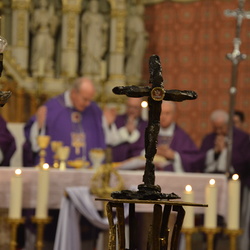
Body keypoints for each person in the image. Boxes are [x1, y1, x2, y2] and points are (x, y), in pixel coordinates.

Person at [23, 77, 106, 167]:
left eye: (90, 99)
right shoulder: (52, 108)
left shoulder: (94, 110)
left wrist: (108, 124)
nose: (88, 104)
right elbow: (36, 144)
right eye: (85, 99)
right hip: (56, 171)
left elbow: (104, 140)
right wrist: (39, 126)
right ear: (74, 93)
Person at [199, 109, 250, 176]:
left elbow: (245, 160)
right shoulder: (208, 138)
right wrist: (215, 153)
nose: (218, 131)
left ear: (228, 125)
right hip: (211, 175)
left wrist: (225, 150)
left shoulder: (243, 137)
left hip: (236, 176)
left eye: (221, 128)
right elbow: (201, 158)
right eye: (215, 128)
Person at [154, 101, 200, 172]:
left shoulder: (182, 136)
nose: (163, 117)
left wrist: (175, 156)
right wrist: (152, 152)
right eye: (161, 113)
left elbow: (193, 159)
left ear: (174, 115)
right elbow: (135, 152)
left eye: (167, 113)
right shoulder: (149, 133)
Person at [104, 97, 148, 162]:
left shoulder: (146, 125)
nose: (132, 110)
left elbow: (143, 147)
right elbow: (109, 141)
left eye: (135, 107)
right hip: (117, 162)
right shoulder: (116, 120)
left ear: (141, 109)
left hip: (137, 165)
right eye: (130, 107)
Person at [30, 0, 60, 77]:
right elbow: (33, 26)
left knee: (49, 52)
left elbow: (54, 27)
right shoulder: (37, 12)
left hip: (48, 35)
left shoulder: (50, 12)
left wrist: (52, 21)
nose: (43, 2)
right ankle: (36, 68)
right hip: (39, 34)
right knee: (38, 50)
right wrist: (38, 23)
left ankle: (48, 67)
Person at [81, 0, 108, 76]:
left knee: (97, 53)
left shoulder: (100, 17)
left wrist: (104, 28)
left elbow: (104, 28)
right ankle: (88, 70)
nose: (94, 7)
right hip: (89, 37)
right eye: (92, 5)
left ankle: (96, 70)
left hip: (98, 38)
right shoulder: (87, 15)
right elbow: (83, 28)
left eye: (95, 5)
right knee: (89, 53)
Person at [125, 4, 148, 83]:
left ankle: (136, 74)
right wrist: (136, 35)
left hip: (140, 42)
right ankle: (130, 74)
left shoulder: (140, 20)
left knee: (138, 59)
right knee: (133, 57)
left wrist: (143, 35)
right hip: (135, 42)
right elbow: (129, 33)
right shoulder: (132, 19)